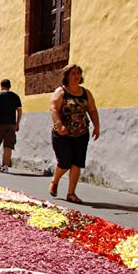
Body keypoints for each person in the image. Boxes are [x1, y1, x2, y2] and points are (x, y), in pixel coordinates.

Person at [49, 64, 100, 204]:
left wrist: (97, 126)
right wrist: (59, 125)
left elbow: (92, 110)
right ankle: (55, 180)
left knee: (77, 162)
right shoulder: (61, 92)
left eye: (78, 73)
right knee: (65, 162)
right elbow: (53, 109)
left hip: (81, 133)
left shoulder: (86, 93)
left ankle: (71, 193)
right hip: (62, 134)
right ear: (67, 76)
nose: (77, 76)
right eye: (73, 73)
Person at [0, 79, 22, 173]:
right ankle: (6, 166)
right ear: (10, 86)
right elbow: (19, 111)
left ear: (1, 86)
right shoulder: (16, 96)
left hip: (0, 123)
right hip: (11, 124)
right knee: (8, 146)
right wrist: (17, 122)